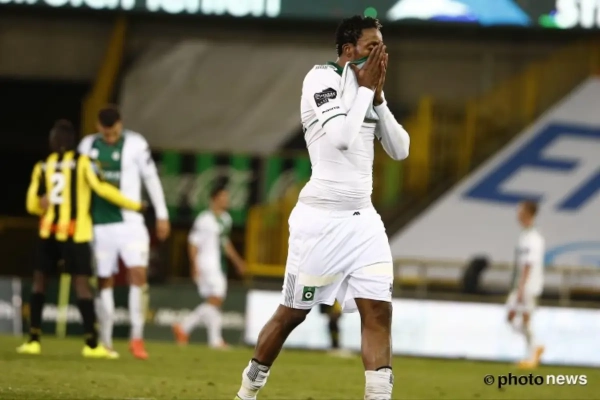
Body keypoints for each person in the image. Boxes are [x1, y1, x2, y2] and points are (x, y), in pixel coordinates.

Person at [234, 15, 410, 400]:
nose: (380, 53)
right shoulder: (321, 79)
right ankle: (247, 391)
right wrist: (366, 91)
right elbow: (342, 137)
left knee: (379, 312)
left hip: (364, 221)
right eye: (372, 46)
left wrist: (378, 98)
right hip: (320, 219)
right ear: (348, 49)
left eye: (382, 46)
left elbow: (400, 150)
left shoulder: (369, 91)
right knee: (292, 314)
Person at [18, 119, 144, 358]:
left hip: (48, 232)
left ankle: (33, 340)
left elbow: (31, 204)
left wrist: (39, 204)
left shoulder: (43, 166)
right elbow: (103, 189)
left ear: (53, 140)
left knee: (39, 283)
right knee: (82, 285)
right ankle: (91, 344)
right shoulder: (84, 163)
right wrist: (135, 205)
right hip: (76, 234)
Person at [78, 105, 170, 360]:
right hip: (100, 224)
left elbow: (151, 178)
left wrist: (162, 214)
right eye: (106, 134)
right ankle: (106, 341)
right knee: (104, 280)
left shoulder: (136, 144)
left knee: (138, 275)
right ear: (98, 127)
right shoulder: (87, 146)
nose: (110, 138)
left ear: (121, 124)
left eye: (114, 133)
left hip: (131, 223)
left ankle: (136, 338)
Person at [172, 184, 246, 348]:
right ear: (214, 199)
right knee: (216, 298)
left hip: (219, 264)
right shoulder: (204, 219)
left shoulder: (226, 219)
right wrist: (194, 265)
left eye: (226, 197)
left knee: (214, 301)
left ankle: (197, 333)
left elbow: (225, 243)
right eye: (222, 197)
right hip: (206, 263)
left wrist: (237, 261)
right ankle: (199, 333)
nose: (226, 200)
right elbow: (193, 243)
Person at [506, 200, 545, 369]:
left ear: (528, 214)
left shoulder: (534, 238)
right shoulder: (525, 236)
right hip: (521, 284)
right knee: (513, 317)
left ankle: (533, 354)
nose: (517, 215)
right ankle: (535, 348)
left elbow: (529, 264)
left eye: (520, 211)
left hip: (529, 285)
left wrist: (522, 287)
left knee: (524, 318)